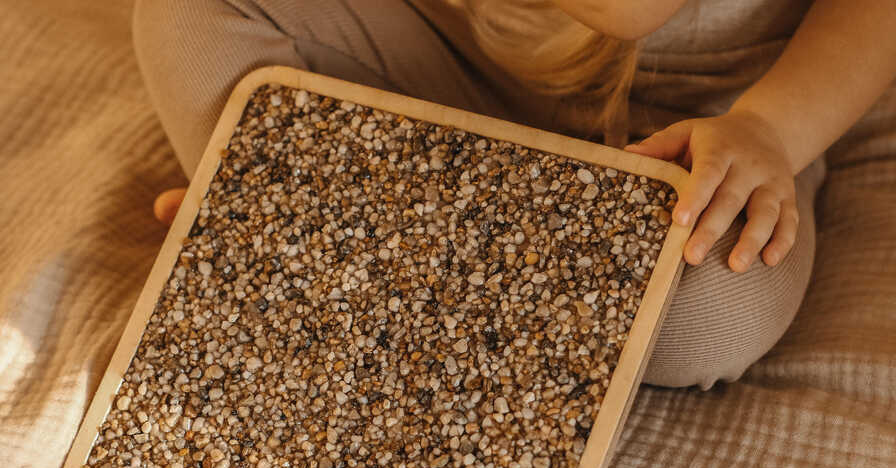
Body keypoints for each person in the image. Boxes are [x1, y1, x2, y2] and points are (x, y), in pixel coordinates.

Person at [132, 0, 896, 389]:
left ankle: (336, 236)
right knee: (191, 15)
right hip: (451, 51)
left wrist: (772, 127)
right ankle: (340, 227)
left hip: (701, 119)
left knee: (712, 309)